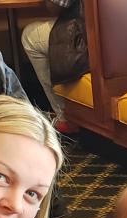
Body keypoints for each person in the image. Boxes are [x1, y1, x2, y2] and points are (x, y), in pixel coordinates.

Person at [21, 0, 84, 134]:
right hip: (120, 33)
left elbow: (56, 5)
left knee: (30, 35)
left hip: (87, 38)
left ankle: (64, 118)